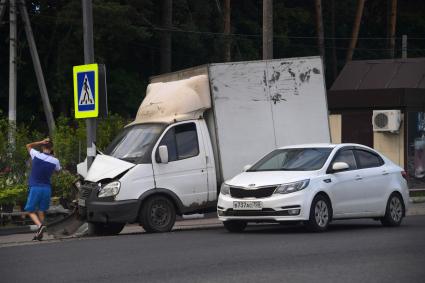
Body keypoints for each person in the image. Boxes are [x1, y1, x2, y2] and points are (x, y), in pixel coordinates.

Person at [24, 138, 61, 240]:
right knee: (41, 211)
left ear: (43, 147)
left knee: (30, 211)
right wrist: (53, 157)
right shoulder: (55, 161)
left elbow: (28, 145)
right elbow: (58, 172)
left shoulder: (36, 155)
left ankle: (40, 226)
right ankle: (40, 234)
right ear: (52, 148)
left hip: (36, 188)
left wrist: (40, 141)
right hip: (47, 189)